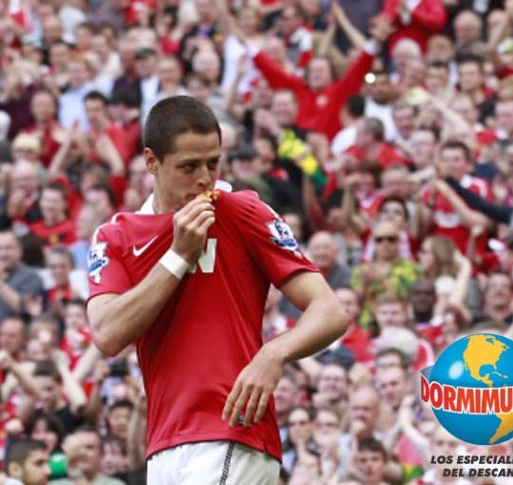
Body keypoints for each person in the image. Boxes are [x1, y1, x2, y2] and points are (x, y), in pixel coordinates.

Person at [86, 96, 348, 482]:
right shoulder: (115, 236)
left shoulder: (242, 212)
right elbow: (107, 334)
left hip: (232, 429)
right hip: (163, 443)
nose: (204, 178)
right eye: (189, 166)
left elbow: (331, 311)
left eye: (213, 163)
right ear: (151, 161)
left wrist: (273, 354)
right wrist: (178, 257)